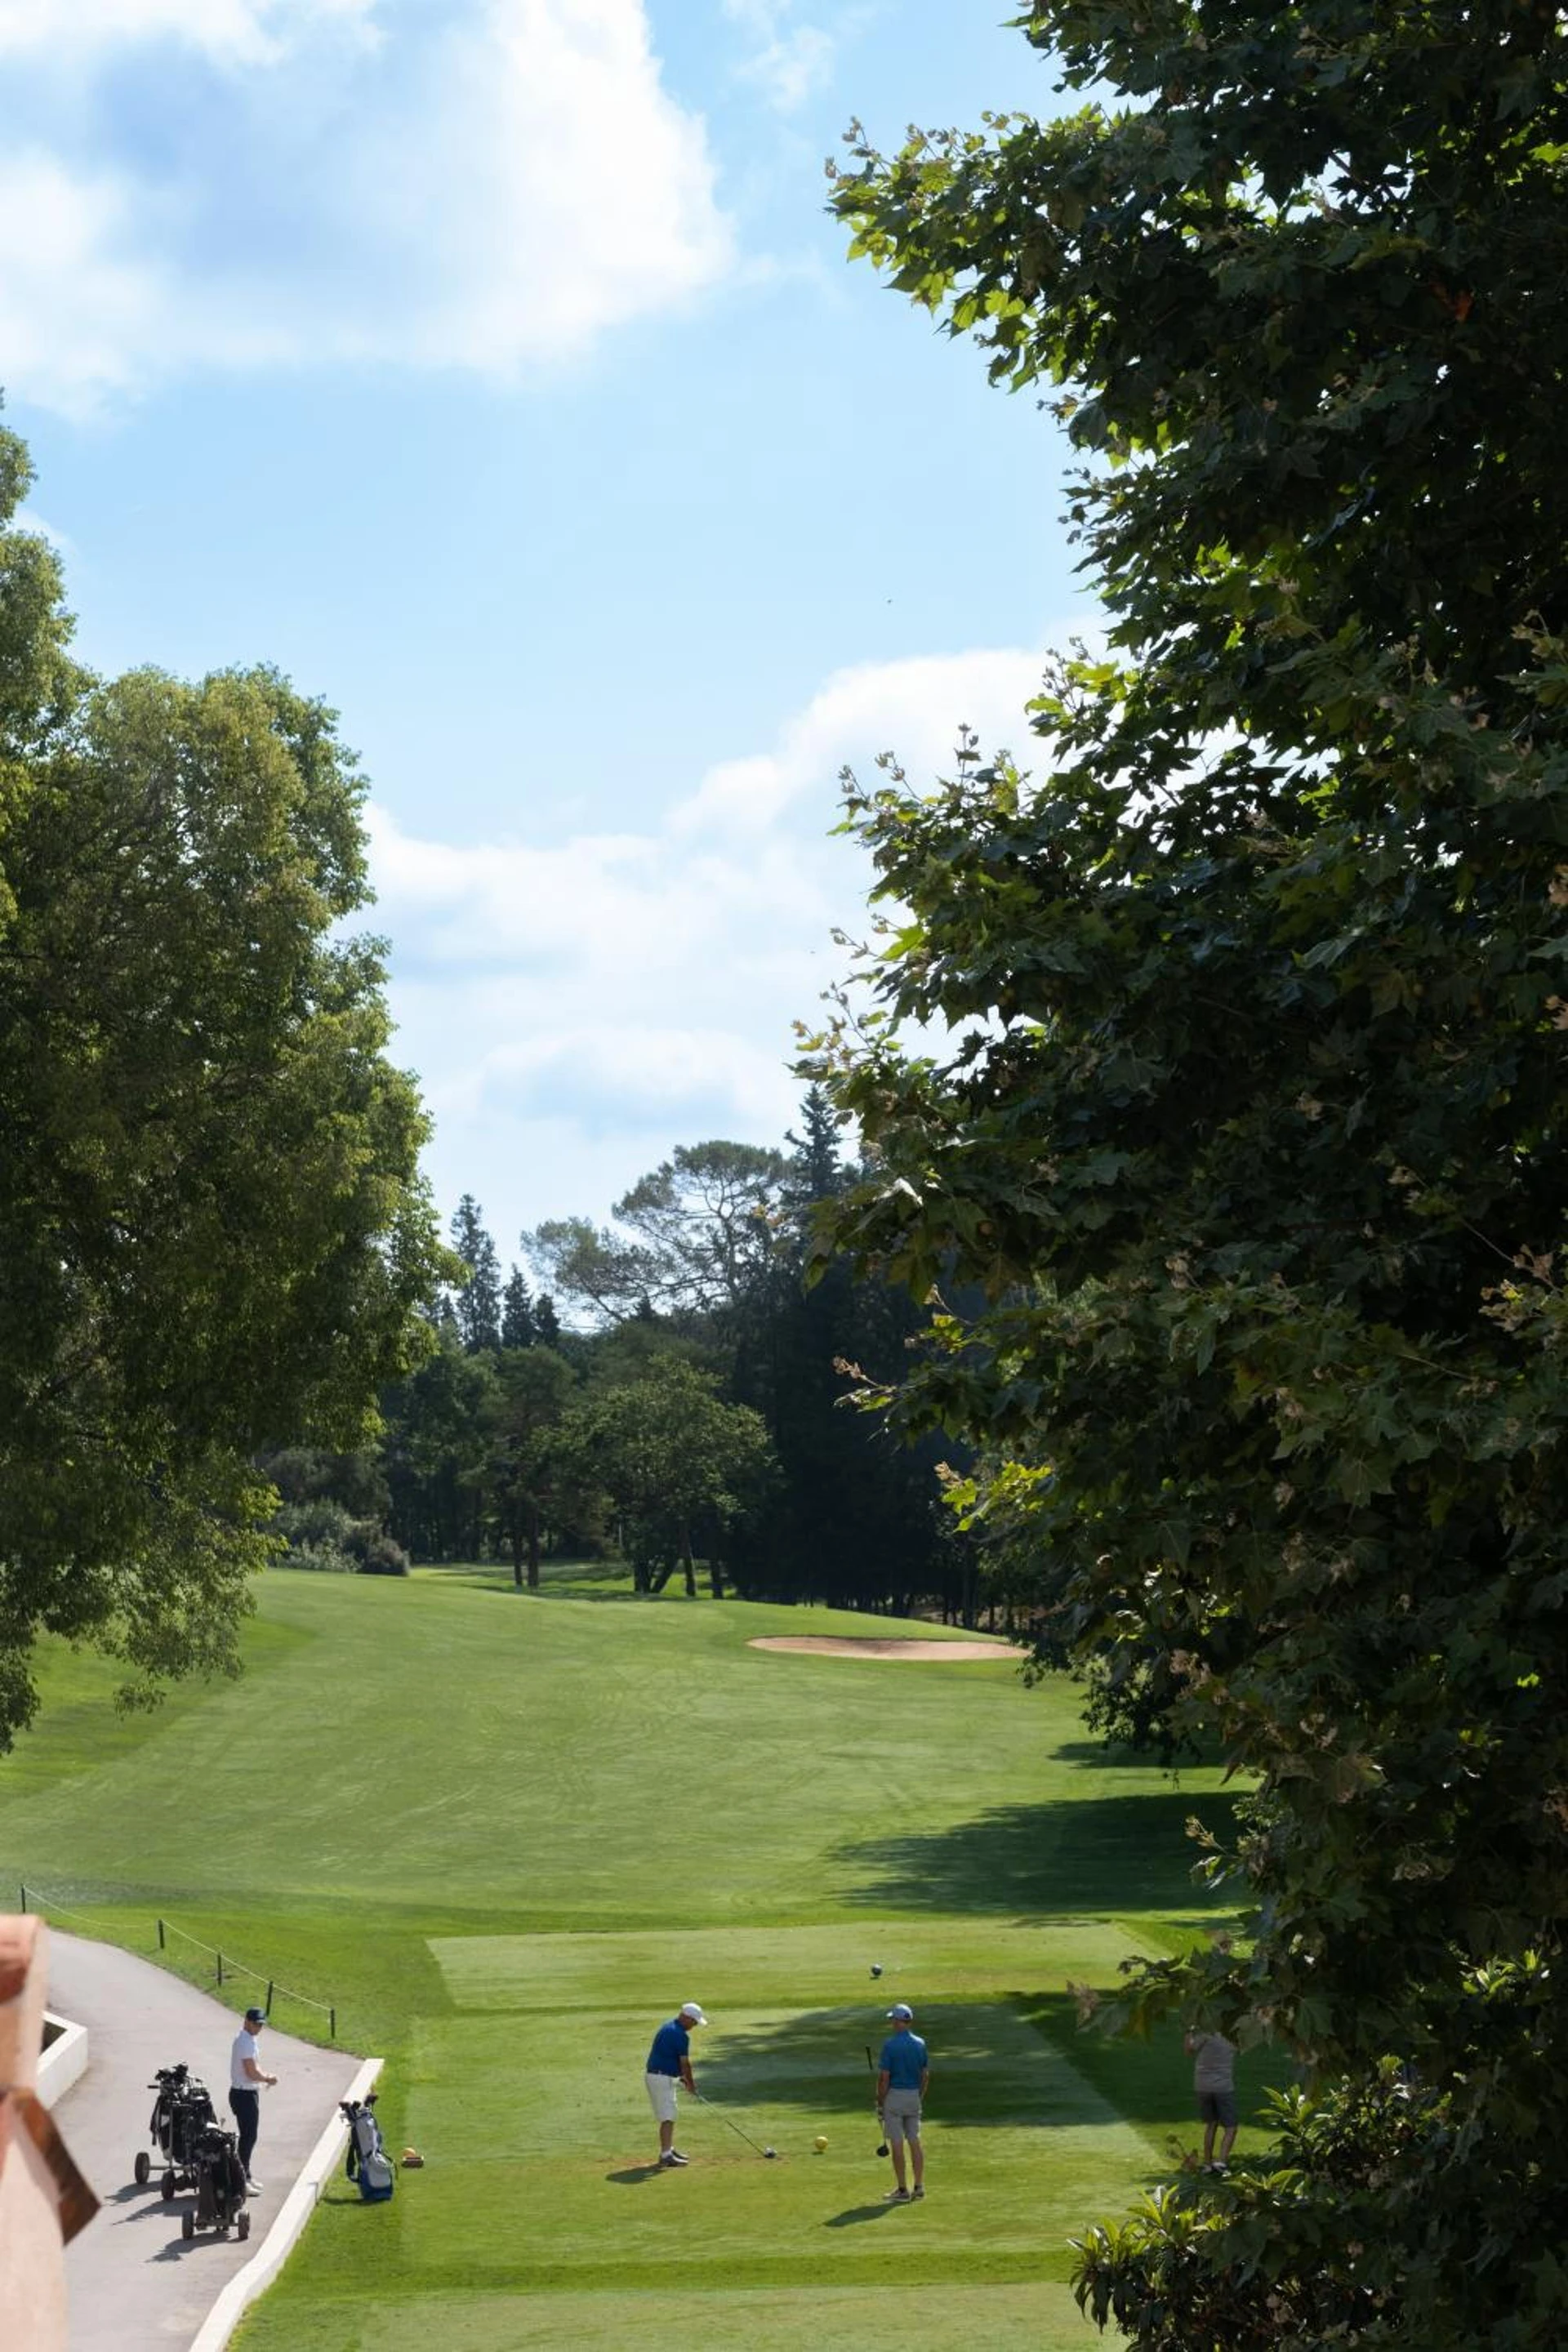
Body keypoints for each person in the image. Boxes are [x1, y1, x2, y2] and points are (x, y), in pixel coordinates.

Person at [875, 2002, 929, 2202]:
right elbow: (925, 2075)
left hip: (894, 2097)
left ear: (899, 2022)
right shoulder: (920, 2044)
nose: (892, 2023)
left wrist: (881, 2101)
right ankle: (919, 2186)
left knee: (897, 2143)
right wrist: (919, 2096)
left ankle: (902, 2189)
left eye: (893, 2020)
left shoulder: (890, 2045)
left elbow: (884, 2078)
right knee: (914, 2140)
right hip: (914, 2096)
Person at [644, 2001, 706, 2168]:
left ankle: (669, 2149)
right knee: (668, 2117)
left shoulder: (669, 2027)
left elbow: (669, 2057)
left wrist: (683, 2078)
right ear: (686, 2017)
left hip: (661, 2076)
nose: (694, 2025)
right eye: (694, 2022)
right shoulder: (680, 2035)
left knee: (671, 2113)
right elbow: (685, 2063)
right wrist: (691, 2084)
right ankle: (665, 2156)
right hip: (660, 2078)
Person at [229, 2005, 278, 2191]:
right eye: (256, 2024)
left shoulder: (249, 2039)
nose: (259, 2027)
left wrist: (264, 2076)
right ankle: (241, 2180)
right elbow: (250, 2072)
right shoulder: (245, 2042)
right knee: (248, 2137)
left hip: (247, 2092)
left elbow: (254, 2068)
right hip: (243, 2094)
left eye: (261, 2025)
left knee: (250, 2136)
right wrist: (267, 2078)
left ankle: (246, 2175)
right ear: (247, 2021)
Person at [1185, 2027, 1238, 2172]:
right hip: (1223, 2087)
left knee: (1211, 2124)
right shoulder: (1233, 2035)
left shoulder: (1205, 2033)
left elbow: (1189, 2050)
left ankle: (1208, 2163)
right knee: (1231, 2128)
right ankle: (1221, 2162)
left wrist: (1188, 2032)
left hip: (1202, 2085)